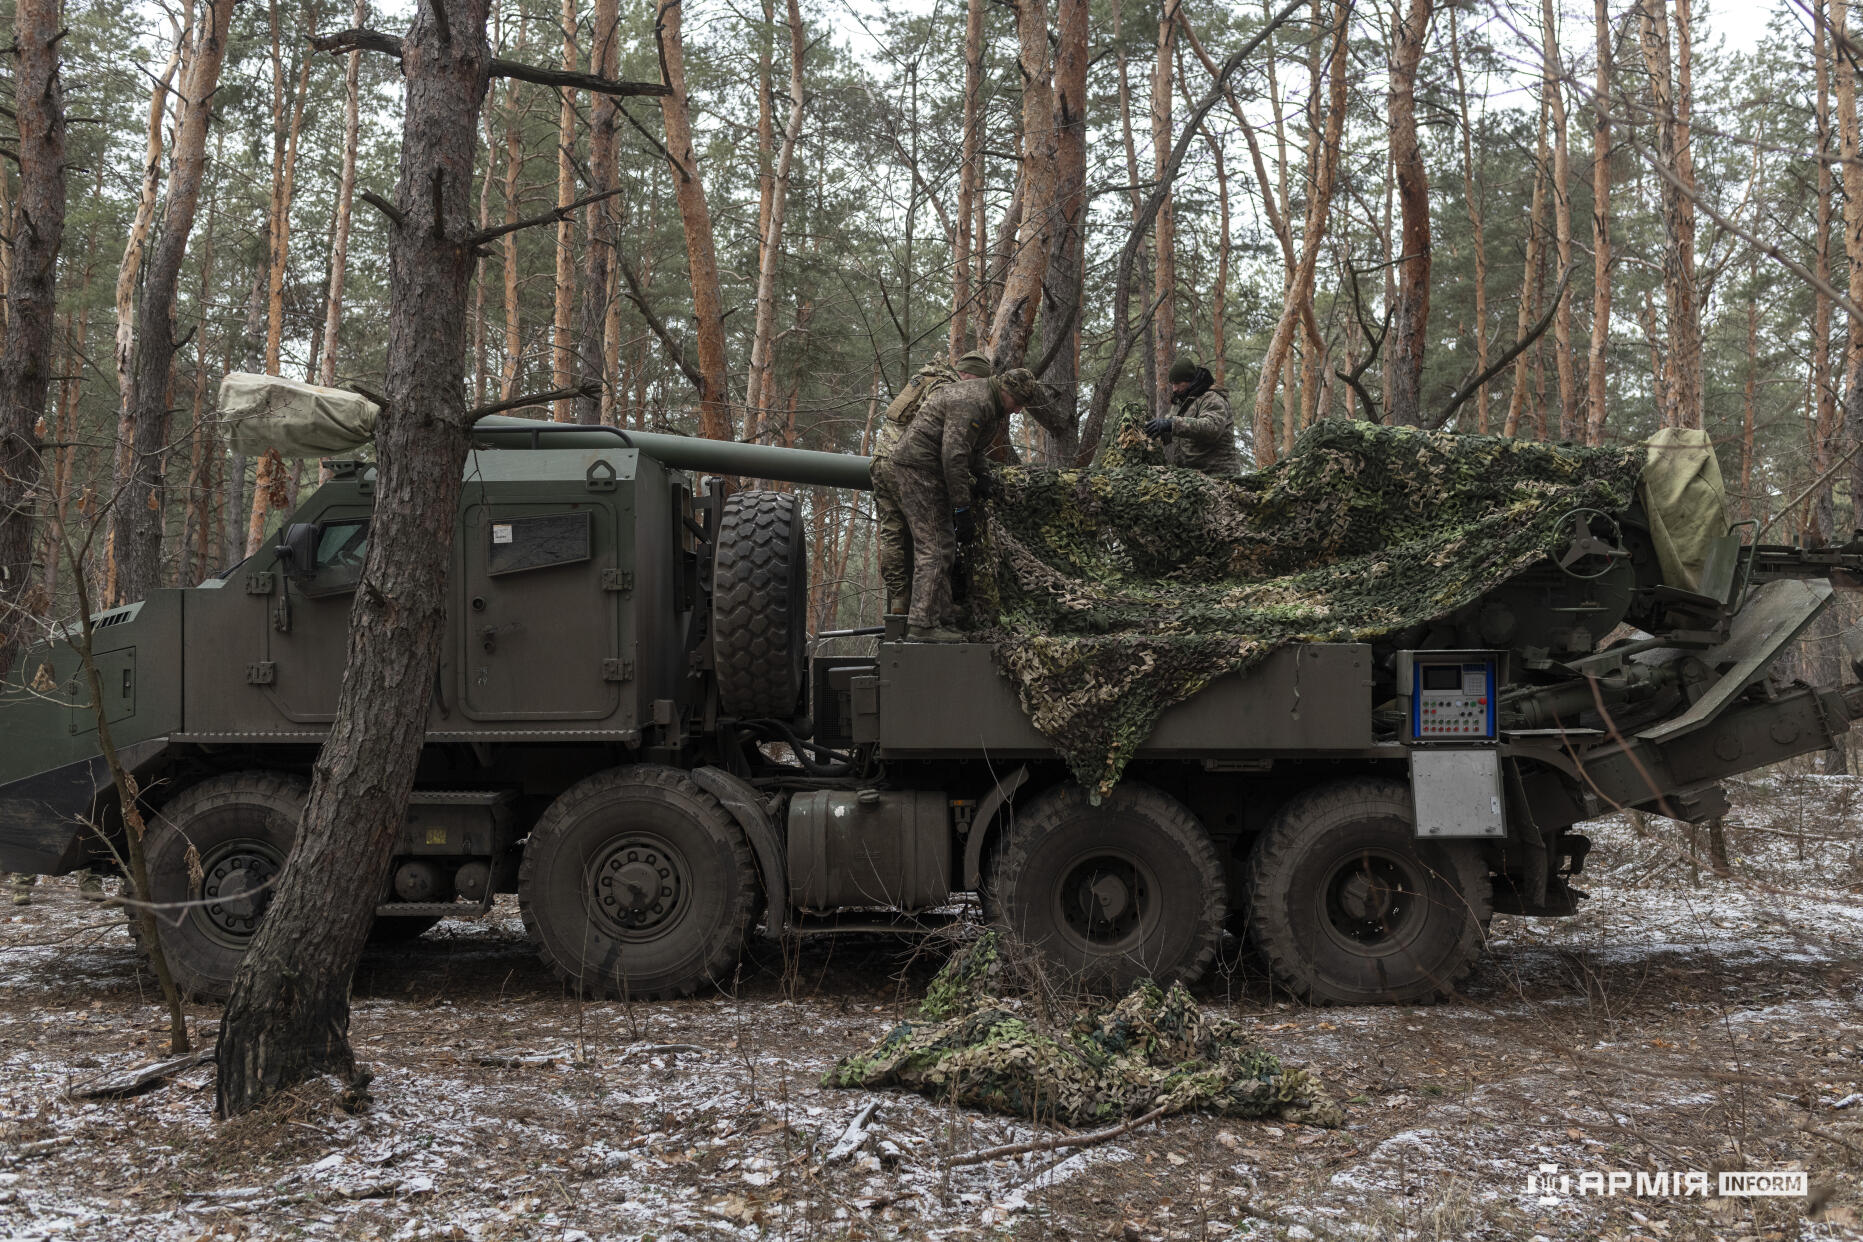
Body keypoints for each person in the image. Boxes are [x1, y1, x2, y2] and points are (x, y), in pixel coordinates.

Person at [874, 366, 1045, 642]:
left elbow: (972, 448)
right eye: (1018, 404)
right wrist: (961, 507)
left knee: (943, 544)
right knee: (934, 546)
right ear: (1007, 392)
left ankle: (939, 612)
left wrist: (983, 475)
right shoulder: (974, 401)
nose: (1017, 411)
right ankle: (922, 625)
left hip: (927, 467)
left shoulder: (989, 403)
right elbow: (953, 455)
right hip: (919, 468)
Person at [875, 351, 995, 619]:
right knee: (933, 539)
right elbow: (948, 442)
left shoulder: (928, 378)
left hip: (881, 460)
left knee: (893, 533)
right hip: (908, 465)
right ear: (969, 375)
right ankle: (932, 609)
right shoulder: (949, 389)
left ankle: (899, 600)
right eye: (976, 382)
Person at [1146, 357, 1243, 476]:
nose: (1174, 389)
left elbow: (1212, 428)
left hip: (1219, 476)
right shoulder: (1182, 402)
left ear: (1190, 380)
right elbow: (1179, 432)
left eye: (1178, 384)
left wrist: (1172, 424)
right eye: (1172, 384)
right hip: (1193, 477)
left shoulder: (1211, 398)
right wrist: (1157, 431)